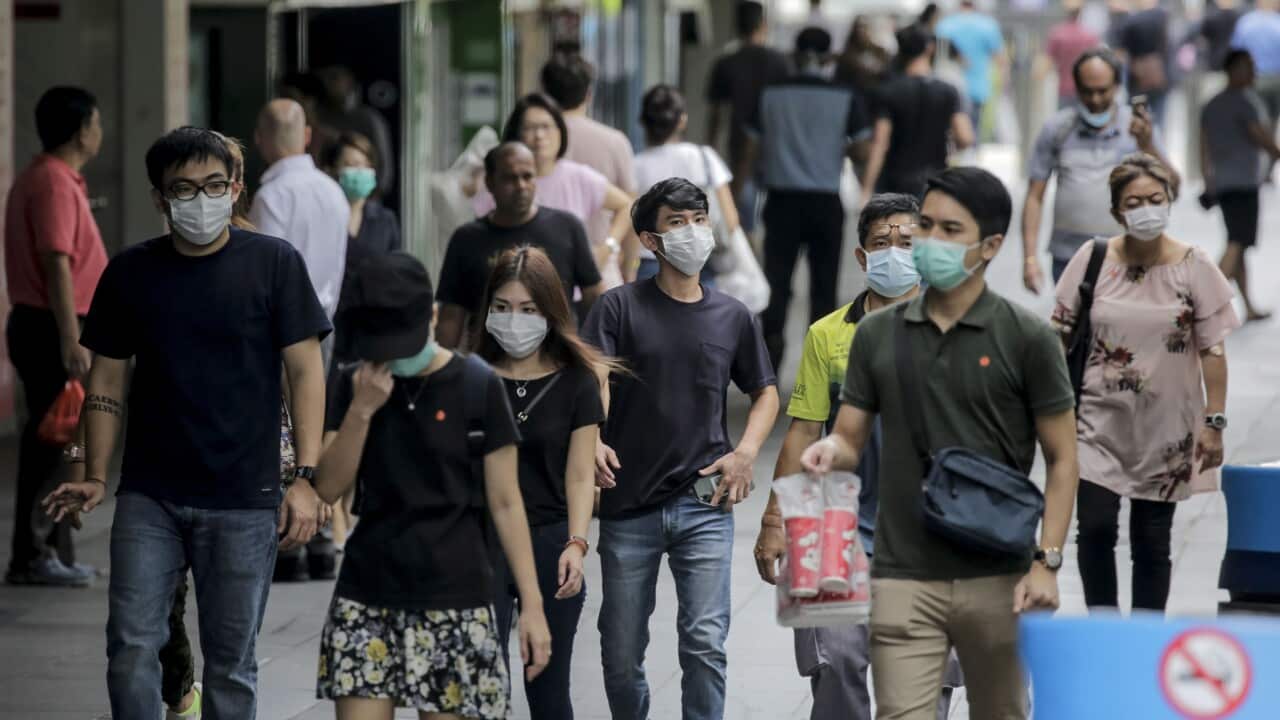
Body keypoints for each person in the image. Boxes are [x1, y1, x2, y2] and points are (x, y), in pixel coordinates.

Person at [42, 126, 331, 718]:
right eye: (184, 189)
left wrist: (306, 477)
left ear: (236, 188)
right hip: (152, 495)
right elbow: (106, 380)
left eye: (214, 186)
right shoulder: (131, 273)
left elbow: (306, 372)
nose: (201, 200)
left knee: (232, 664)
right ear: (160, 198)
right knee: (130, 648)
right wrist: (94, 473)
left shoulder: (274, 264)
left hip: (245, 497)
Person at [801, 166, 1079, 720]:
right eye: (924, 225)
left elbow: (1063, 457)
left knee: (1001, 710)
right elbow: (850, 436)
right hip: (903, 570)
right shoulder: (876, 336)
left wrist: (1046, 561)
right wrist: (830, 452)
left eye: (949, 230)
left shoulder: (1028, 339)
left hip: (994, 567)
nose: (927, 241)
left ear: (990, 245)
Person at [314, 251, 551, 719]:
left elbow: (506, 502)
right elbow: (327, 488)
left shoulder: (477, 385)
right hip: (368, 590)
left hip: (454, 594)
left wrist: (533, 606)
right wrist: (362, 411)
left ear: (433, 318)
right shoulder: (353, 382)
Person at [754, 194, 961, 720]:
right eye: (881, 243)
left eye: (907, 243)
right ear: (862, 257)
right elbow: (803, 431)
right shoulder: (828, 334)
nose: (895, 252)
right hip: (836, 529)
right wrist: (775, 519)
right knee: (837, 660)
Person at [582, 178, 779, 720]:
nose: (692, 232)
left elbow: (765, 392)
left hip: (704, 503)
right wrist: (594, 434)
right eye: (677, 222)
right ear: (650, 240)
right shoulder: (618, 308)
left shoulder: (732, 315)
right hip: (628, 505)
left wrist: (746, 452)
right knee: (621, 656)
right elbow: (593, 377)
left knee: (704, 645)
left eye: (699, 220)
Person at [1052, 153, 1240, 613]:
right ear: (1117, 211)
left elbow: (1213, 349)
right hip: (1096, 421)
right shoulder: (1093, 258)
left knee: (1152, 541)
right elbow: (1059, 333)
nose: (1146, 209)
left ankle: (1144, 636)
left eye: (1155, 199)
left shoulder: (1194, 266)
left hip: (1168, 428)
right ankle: (1103, 627)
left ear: (1170, 201)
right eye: (1134, 202)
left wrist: (1214, 422)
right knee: (1094, 529)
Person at [475, 246, 611, 719]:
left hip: (550, 540)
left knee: (548, 690)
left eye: (529, 310)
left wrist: (577, 543)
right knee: (483, 688)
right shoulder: (468, 375)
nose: (515, 321)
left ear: (551, 312)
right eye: (503, 308)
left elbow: (579, 474)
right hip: (478, 543)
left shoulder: (577, 381)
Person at [3, 86, 106, 587]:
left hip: (52, 323)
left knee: (63, 441)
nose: (100, 131)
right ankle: (33, 552)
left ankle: (54, 551)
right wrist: (72, 338)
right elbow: (56, 262)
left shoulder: (59, 179)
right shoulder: (51, 183)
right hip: (51, 325)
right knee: (51, 442)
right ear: (82, 128)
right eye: (96, 122)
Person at [750, 27, 872, 371]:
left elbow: (750, 147)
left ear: (794, 55)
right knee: (824, 285)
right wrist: (836, 147)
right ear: (828, 57)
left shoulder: (770, 94)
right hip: (825, 202)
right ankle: (821, 367)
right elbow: (863, 148)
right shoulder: (845, 95)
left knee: (776, 282)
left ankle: (769, 363)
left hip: (781, 200)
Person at [1021, 48, 1175, 292]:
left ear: (1116, 86)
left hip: (1127, 256)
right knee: (1074, 326)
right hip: (1068, 256)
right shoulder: (1057, 129)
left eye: (1102, 91)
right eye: (1087, 91)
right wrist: (1029, 258)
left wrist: (1146, 145)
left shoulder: (1137, 128)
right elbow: (1034, 196)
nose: (1094, 100)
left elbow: (1173, 185)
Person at [437, 143, 604, 349]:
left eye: (527, 176)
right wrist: (440, 373)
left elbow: (594, 298)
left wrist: (592, 358)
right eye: (510, 178)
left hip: (557, 361)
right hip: (489, 364)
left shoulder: (567, 227)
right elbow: (451, 316)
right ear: (489, 183)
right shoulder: (467, 239)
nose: (521, 186)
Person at [472, 93, 637, 287]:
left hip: (574, 295)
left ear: (560, 132)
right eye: (530, 128)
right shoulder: (501, 182)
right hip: (514, 294)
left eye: (546, 126)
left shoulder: (579, 177)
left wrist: (608, 247)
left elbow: (627, 205)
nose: (539, 135)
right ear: (516, 134)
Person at [251, 98, 350, 370]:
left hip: (278, 336)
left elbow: (261, 275)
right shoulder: (334, 191)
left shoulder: (271, 197)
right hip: (324, 326)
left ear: (259, 138)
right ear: (307, 135)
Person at [541, 50, 638, 282]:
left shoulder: (531, 142)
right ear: (589, 94)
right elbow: (632, 209)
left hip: (541, 276)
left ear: (544, 94)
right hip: (602, 268)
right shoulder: (614, 142)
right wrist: (630, 267)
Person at [1202, 50, 1280, 323]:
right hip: (1243, 183)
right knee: (1237, 242)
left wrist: (1207, 181)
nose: (1253, 73)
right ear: (1233, 70)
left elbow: (1203, 148)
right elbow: (1260, 137)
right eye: (1248, 67)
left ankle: (1248, 305)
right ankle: (1206, 303)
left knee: (1239, 241)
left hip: (1223, 183)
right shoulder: (1244, 103)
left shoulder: (1212, 104)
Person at [634, 84, 741, 281]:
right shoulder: (704, 158)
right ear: (682, 120)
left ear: (642, 121)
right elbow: (730, 219)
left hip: (651, 263)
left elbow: (630, 228)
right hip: (700, 263)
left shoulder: (636, 166)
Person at [706, 1, 792, 234]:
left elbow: (716, 114)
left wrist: (711, 149)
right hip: (774, 144)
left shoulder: (725, 63)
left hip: (739, 142)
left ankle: (749, 245)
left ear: (737, 26)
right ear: (763, 25)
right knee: (772, 208)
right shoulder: (779, 61)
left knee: (742, 207)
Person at [861, 24, 974, 199]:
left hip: (895, 182)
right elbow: (965, 137)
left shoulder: (888, 91)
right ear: (930, 49)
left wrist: (867, 188)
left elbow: (880, 143)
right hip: (934, 182)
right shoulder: (948, 91)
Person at [321, 131, 403, 366]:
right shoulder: (323, 218)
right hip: (329, 331)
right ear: (331, 169)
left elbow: (395, 276)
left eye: (364, 165)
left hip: (371, 336)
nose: (358, 172)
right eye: (349, 165)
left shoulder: (385, 220)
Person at [315, 65, 397, 197]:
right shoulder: (320, 118)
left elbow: (384, 168)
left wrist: (371, 200)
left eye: (334, 78)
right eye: (323, 79)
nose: (327, 84)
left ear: (349, 81)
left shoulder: (368, 119)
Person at [935, 0, 1005, 139]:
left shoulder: (945, 25)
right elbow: (1000, 59)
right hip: (977, 89)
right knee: (973, 132)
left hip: (947, 87)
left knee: (947, 133)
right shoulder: (988, 26)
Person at [1230, 0, 1280, 151]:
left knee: (1250, 120)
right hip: (1275, 80)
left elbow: (1236, 52)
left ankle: (1254, 155)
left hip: (1252, 80)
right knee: (1270, 121)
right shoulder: (1278, 24)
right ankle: (1267, 161)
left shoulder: (1245, 23)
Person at [1114, 0, 1171, 128]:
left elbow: (1121, 53)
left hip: (1137, 77)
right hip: (1159, 74)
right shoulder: (1164, 17)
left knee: (1137, 118)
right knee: (1159, 120)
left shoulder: (1131, 21)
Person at [1043, 0, 1101, 108]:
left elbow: (1046, 65)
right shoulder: (1090, 35)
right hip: (1086, 89)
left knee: (1064, 122)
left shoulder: (1057, 34)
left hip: (1064, 90)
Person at [835, 16, 892, 95]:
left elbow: (886, 72)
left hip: (876, 94)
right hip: (853, 93)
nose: (862, 32)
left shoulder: (880, 51)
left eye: (865, 27)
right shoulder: (847, 55)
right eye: (859, 28)